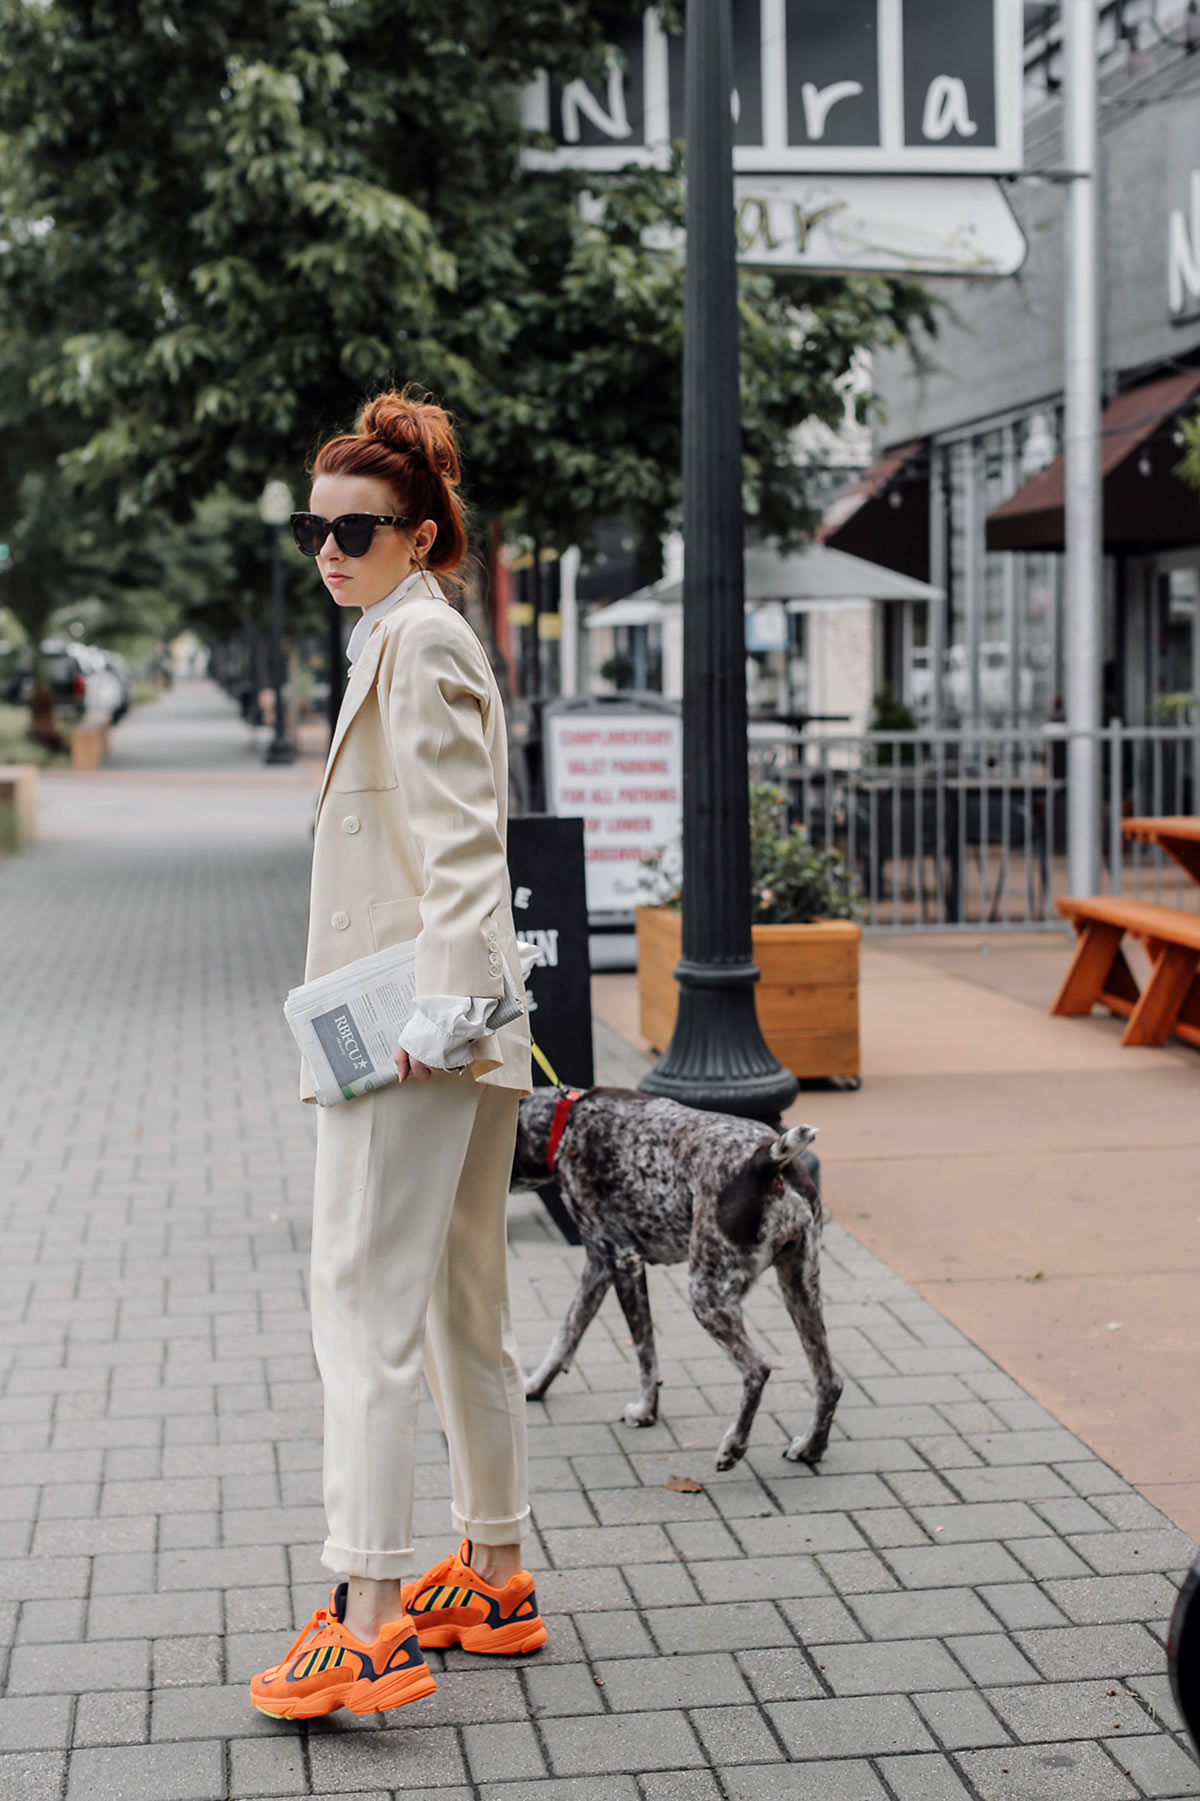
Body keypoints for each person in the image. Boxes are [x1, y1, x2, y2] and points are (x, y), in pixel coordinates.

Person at [250, 389, 542, 1722]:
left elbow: (468, 843)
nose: (329, 548)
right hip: (467, 1027)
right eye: (319, 528)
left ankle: (365, 1613)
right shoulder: (415, 633)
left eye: (356, 528)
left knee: (364, 1310)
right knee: (457, 1307)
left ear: (417, 535)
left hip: (419, 1039)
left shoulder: (415, 642)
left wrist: (431, 1014)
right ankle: (492, 1565)